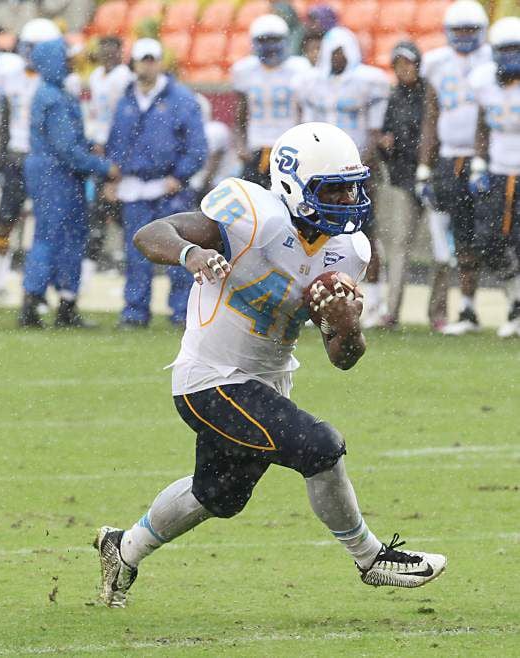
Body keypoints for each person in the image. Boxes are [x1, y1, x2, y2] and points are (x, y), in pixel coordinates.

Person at [92, 122, 447, 609]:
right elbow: (153, 232)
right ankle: (370, 558)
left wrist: (346, 327)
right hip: (209, 379)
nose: (348, 201)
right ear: (292, 187)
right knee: (320, 447)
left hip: (266, 384)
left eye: (352, 188)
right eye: (334, 189)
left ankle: (122, 548)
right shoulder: (250, 217)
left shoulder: (348, 250)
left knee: (218, 496)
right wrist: (192, 255)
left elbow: (344, 359)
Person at [105, 38, 208, 328]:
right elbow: (116, 142)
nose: (148, 65)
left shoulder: (182, 99)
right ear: (134, 63)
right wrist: (112, 176)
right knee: (136, 252)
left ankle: (182, 312)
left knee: (179, 252)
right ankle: (135, 312)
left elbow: (197, 146)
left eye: (152, 59)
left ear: (161, 62)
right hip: (134, 186)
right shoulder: (125, 99)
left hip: (168, 187)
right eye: (143, 60)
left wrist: (180, 176)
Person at [293, 27, 390, 326]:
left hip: (354, 171)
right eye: (332, 53)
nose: (337, 59)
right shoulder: (311, 83)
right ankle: (317, 299)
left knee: (365, 234)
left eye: (341, 53)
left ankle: (372, 300)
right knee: (315, 235)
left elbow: (373, 131)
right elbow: (304, 124)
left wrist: (361, 166)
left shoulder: (366, 82)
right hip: (319, 174)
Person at [19, 37, 119, 328]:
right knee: (55, 238)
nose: (72, 63)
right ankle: (39, 301)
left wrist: (89, 148)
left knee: (62, 237)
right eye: (66, 58)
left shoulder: (53, 93)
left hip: (55, 174)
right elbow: (67, 149)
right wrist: (103, 166)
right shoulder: (54, 98)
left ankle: (55, 301)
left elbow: (70, 143)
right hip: (56, 176)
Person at [417, 0, 492, 335]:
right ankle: (466, 309)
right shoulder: (437, 63)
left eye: (470, 29)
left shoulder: (494, 61)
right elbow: (431, 118)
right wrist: (424, 166)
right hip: (450, 159)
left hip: (488, 160)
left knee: (493, 237)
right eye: (458, 29)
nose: (463, 36)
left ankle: (510, 307)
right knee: (460, 235)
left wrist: (481, 159)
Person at [0, 18, 63, 312]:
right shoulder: (8, 71)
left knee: (46, 229)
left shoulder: (59, 78)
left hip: (47, 160)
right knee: (4, 222)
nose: (33, 54)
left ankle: (35, 293)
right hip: (16, 157)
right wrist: (1, 153)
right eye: (29, 47)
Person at [379, 42, 450, 329]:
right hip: (404, 179)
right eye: (398, 64)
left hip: (434, 179)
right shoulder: (395, 97)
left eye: (407, 63)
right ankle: (392, 311)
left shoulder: (432, 94)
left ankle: (438, 313)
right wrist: (386, 146)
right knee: (399, 246)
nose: (403, 69)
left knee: (440, 248)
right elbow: (387, 135)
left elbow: (436, 133)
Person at [467, 17, 520, 338]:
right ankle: (516, 299)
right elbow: (483, 125)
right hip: (499, 173)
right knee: (490, 244)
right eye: (506, 50)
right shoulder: (484, 81)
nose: (511, 56)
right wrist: (477, 163)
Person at [232, 14, 310, 188]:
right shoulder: (245, 70)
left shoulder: (299, 69)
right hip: (257, 146)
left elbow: (304, 112)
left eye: (274, 40)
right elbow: (241, 112)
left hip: (289, 148)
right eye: (263, 40)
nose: (269, 47)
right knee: (252, 199)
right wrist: (240, 145)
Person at [84, 36, 134, 275]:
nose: (108, 56)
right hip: (99, 148)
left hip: (117, 149)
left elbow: (126, 116)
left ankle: (125, 259)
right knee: (98, 207)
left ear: (120, 52)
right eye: (104, 50)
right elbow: (96, 113)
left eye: (113, 51)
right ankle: (94, 261)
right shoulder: (95, 76)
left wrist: (118, 150)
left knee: (119, 206)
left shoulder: (124, 77)